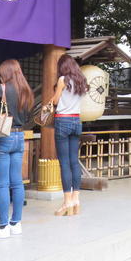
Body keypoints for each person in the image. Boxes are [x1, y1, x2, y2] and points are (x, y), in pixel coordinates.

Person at [0, 59, 33, 238]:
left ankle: (3, 226)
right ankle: (16, 223)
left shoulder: (1, 89)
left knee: (2, 183)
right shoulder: (26, 90)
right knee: (17, 182)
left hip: (4, 136)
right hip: (20, 136)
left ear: (5, 73)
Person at [51, 54, 88, 216]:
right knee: (74, 161)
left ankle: (67, 203)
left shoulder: (62, 80)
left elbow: (55, 101)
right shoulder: (82, 81)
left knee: (64, 163)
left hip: (63, 121)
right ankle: (76, 200)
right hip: (76, 121)